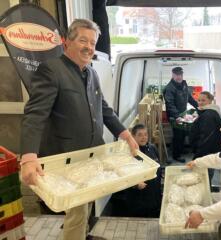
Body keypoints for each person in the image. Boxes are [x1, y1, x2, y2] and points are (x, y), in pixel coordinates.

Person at [20, 19, 138, 240]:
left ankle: (84, 234)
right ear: (67, 42)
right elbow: (35, 114)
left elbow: (104, 109)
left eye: (93, 42)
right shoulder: (51, 70)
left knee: (86, 202)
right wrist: (28, 156)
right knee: (76, 210)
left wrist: (125, 134)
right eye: (83, 40)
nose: (89, 47)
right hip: (67, 157)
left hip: (91, 154)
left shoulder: (91, 73)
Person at [124, 124, 162, 217]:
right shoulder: (129, 153)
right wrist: (135, 185)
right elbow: (124, 176)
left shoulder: (152, 148)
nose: (143, 137)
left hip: (154, 195)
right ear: (133, 137)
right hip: (138, 200)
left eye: (145, 134)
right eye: (140, 135)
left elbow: (159, 167)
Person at [163, 66, 198, 163]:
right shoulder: (169, 88)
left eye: (180, 75)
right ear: (173, 75)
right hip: (174, 116)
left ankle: (181, 149)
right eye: (177, 75)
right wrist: (178, 116)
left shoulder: (184, 84)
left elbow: (189, 98)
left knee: (183, 133)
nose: (179, 77)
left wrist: (198, 106)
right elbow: (170, 104)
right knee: (178, 135)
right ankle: (176, 155)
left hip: (183, 113)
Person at [189, 91, 221, 189]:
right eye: (199, 100)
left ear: (210, 101)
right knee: (207, 174)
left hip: (206, 153)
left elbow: (206, 139)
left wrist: (198, 157)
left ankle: (205, 193)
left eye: (203, 100)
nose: (200, 102)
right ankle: (207, 189)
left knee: (204, 176)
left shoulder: (208, 116)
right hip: (209, 151)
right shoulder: (208, 112)